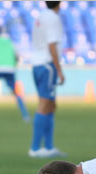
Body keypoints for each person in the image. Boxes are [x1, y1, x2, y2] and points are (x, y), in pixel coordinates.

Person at [29, 1, 66, 158]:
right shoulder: (53, 18)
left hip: (37, 64)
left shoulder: (40, 17)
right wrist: (59, 69)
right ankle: (35, 148)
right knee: (44, 105)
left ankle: (49, 147)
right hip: (47, 65)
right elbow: (52, 45)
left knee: (51, 105)